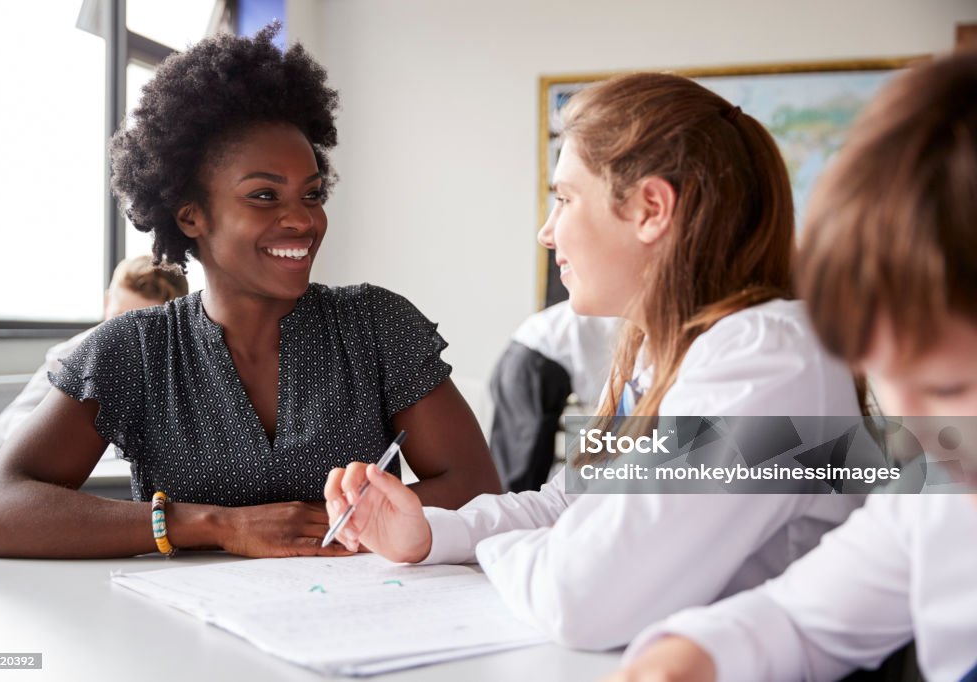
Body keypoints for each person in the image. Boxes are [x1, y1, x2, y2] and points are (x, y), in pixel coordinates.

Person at [323, 71, 868, 650]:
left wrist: (500, 548)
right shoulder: (658, 349)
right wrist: (430, 534)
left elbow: (581, 598)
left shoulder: (766, 359)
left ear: (652, 208)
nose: (546, 231)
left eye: (563, 199)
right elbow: (571, 502)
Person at [0, 25, 500, 559]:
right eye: (264, 195)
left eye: (311, 194)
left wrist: (335, 523)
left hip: (358, 623)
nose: (302, 220)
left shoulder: (375, 324)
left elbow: (477, 486)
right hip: (186, 634)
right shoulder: (135, 350)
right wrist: (217, 525)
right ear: (191, 215)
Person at [615, 51, 977, 682]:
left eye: (949, 386)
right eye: (886, 381)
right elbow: (798, 618)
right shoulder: (941, 481)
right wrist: (678, 664)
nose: (912, 434)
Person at [0, 255, 189, 447]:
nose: (128, 336)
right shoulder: (70, 353)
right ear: (106, 304)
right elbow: (6, 425)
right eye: (119, 320)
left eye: (146, 327)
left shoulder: (190, 364)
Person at [489, 301, 619, 492]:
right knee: (521, 470)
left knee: (519, 463)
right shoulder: (631, 318)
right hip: (534, 361)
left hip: (524, 352)